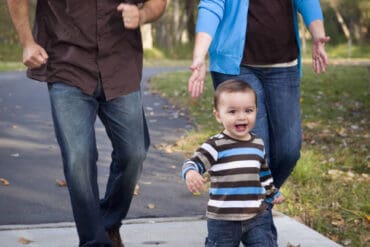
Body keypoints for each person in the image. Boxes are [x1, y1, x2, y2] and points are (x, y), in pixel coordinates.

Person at [6, 0, 167, 246]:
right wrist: (27, 41)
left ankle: (108, 223)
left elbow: (158, 3)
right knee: (78, 157)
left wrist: (143, 14)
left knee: (134, 152)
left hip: (120, 63)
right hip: (66, 62)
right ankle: (94, 240)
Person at [187, 0, 330, 190]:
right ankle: (257, 213)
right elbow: (212, 5)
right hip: (235, 66)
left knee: (289, 150)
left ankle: (260, 201)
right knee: (254, 151)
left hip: (283, 64)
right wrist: (199, 55)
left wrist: (318, 35)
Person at [182, 79, 284, 246]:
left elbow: (263, 172)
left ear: (256, 111)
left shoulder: (258, 143)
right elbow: (193, 163)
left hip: (256, 216)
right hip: (223, 220)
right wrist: (191, 172)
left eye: (248, 110)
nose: (241, 117)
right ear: (218, 115)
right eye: (232, 112)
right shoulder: (215, 145)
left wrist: (272, 193)